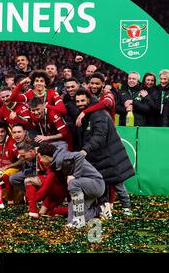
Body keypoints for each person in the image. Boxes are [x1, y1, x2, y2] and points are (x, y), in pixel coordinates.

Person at [75, 88, 135, 218]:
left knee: (117, 182)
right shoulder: (88, 114)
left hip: (109, 155)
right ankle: (105, 209)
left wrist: (86, 149)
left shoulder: (99, 114)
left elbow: (99, 137)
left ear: (89, 100)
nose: (79, 103)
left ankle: (127, 207)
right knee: (103, 183)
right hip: (99, 156)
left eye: (82, 101)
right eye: (77, 101)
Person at [36, 143, 105, 228]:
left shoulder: (62, 157)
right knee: (71, 221)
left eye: (40, 158)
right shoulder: (55, 164)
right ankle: (100, 209)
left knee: (73, 182)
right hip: (84, 189)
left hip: (96, 184)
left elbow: (79, 156)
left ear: (46, 156)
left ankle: (78, 218)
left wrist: (75, 175)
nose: (41, 161)